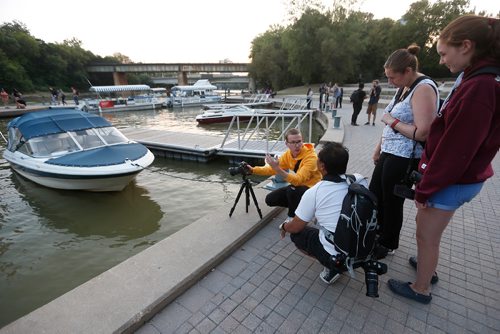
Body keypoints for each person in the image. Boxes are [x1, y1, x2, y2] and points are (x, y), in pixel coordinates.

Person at [388, 15, 500, 304]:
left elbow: (456, 151)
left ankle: (421, 287)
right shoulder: (480, 78)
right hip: (463, 177)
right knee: (429, 232)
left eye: (443, 53)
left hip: (454, 179)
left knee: (426, 235)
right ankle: (428, 265)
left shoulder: (480, 87)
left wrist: (426, 189)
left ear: (466, 46)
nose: (441, 61)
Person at [369, 44, 439, 261]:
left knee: (391, 202)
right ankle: (378, 232)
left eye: (392, 77)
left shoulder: (423, 88)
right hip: (390, 152)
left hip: (404, 157)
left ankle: (388, 242)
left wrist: (393, 121)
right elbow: (388, 122)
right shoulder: (404, 87)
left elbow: (423, 132)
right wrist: (378, 147)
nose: (390, 82)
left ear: (407, 71)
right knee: (375, 195)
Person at [278, 142, 368, 284]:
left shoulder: (315, 192)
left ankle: (330, 268)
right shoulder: (359, 180)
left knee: (297, 234)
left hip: (338, 258)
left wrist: (284, 227)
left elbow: (295, 227)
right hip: (364, 247)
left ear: (321, 166)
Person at [247, 128, 322, 223]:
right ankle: (305, 209)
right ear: (287, 144)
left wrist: (277, 168)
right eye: (293, 142)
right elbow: (271, 169)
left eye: (299, 141)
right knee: (270, 199)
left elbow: (298, 180)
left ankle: (292, 218)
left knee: (293, 190)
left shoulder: (311, 157)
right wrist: (253, 170)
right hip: (299, 188)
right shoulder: (288, 155)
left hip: (313, 190)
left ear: (302, 141)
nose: (297, 145)